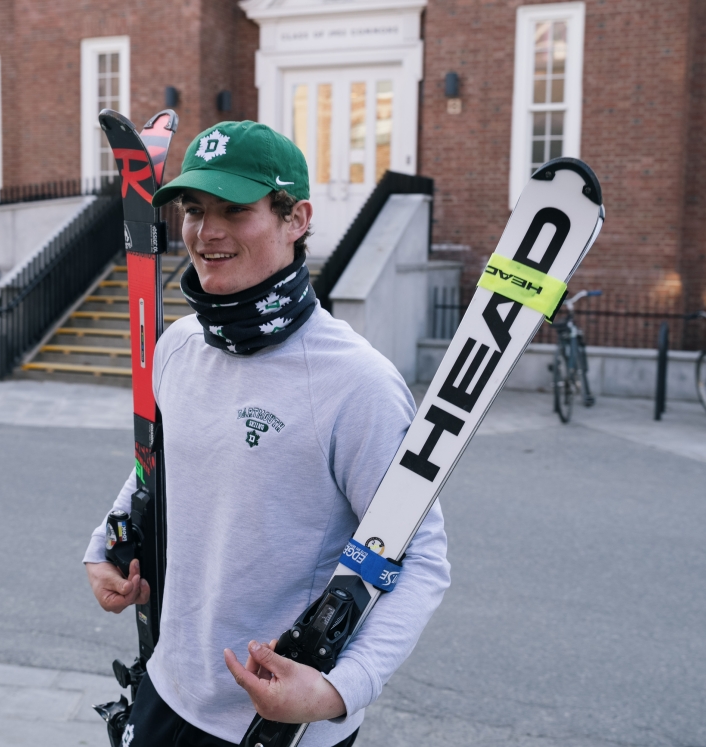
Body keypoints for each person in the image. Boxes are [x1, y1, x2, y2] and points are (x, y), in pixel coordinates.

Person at [84, 121, 450, 747]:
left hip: (277, 726)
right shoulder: (177, 346)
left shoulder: (358, 383)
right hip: (165, 690)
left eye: (235, 209)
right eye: (195, 209)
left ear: (296, 219)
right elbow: (157, 466)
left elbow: (418, 559)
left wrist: (341, 688)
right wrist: (107, 544)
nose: (207, 232)